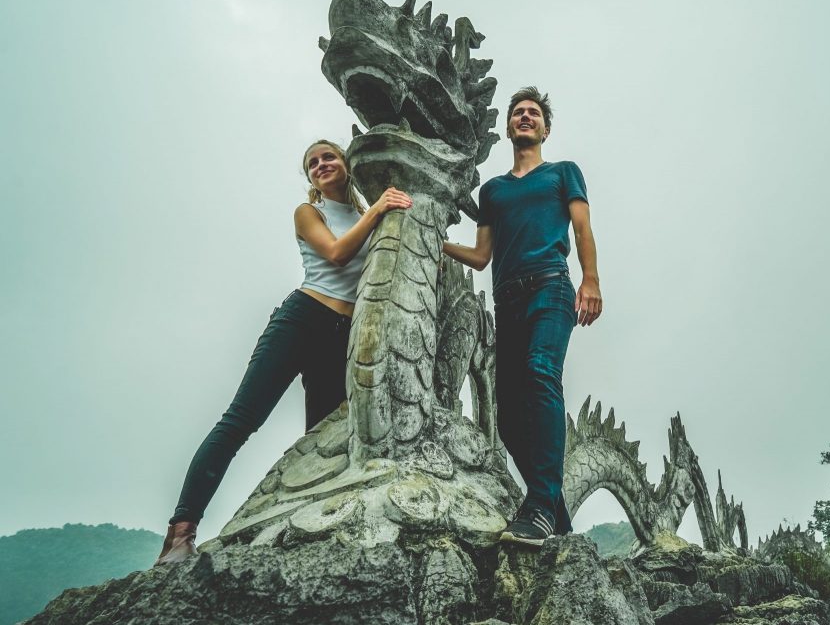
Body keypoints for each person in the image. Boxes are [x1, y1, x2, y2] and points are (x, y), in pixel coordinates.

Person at [155, 139, 412, 565]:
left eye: (328, 157)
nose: (321, 165)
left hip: (344, 335)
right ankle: (180, 534)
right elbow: (335, 253)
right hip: (302, 319)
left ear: (347, 164)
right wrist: (378, 209)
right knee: (241, 420)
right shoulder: (310, 212)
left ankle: (309, 524)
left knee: (324, 436)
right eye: (312, 164)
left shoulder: (375, 212)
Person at [443, 87, 603, 546]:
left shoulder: (563, 173)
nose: (526, 117)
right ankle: (558, 518)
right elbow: (479, 255)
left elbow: (582, 227)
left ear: (545, 129)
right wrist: (435, 241)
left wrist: (589, 281)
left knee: (539, 374)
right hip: (506, 300)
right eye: (519, 113)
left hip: (551, 287)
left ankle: (538, 504)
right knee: (508, 416)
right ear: (509, 127)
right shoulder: (493, 191)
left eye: (533, 113)